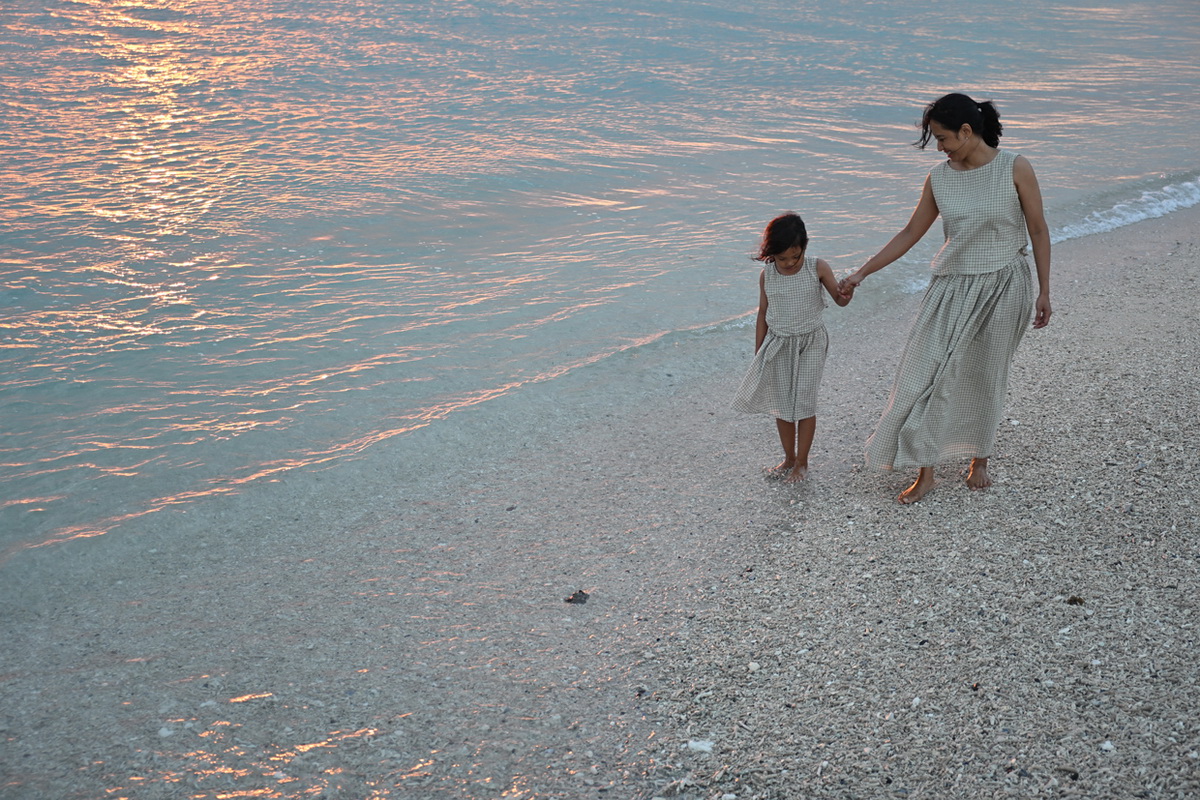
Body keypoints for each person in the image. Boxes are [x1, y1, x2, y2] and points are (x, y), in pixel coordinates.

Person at [840, 92, 1052, 504]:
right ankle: (926, 471)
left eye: (942, 138)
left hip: (1004, 285)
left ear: (966, 131)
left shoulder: (1015, 167)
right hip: (950, 288)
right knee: (924, 375)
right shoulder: (939, 178)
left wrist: (1045, 290)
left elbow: (1039, 230)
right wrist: (862, 272)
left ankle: (979, 459)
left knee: (984, 375)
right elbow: (910, 232)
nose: (939, 148)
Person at [733, 212, 853, 483]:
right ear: (771, 254)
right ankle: (788, 458)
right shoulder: (767, 275)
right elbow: (763, 313)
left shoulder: (817, 267)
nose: (788, 263)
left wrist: (848, 291)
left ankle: (802, 462)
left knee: (804, 403)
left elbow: (840, 300)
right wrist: (759, 351)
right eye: (781, 258)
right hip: (778, 343)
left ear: (804, 247)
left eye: (794, 257)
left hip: (811, 341)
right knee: (782, 405)